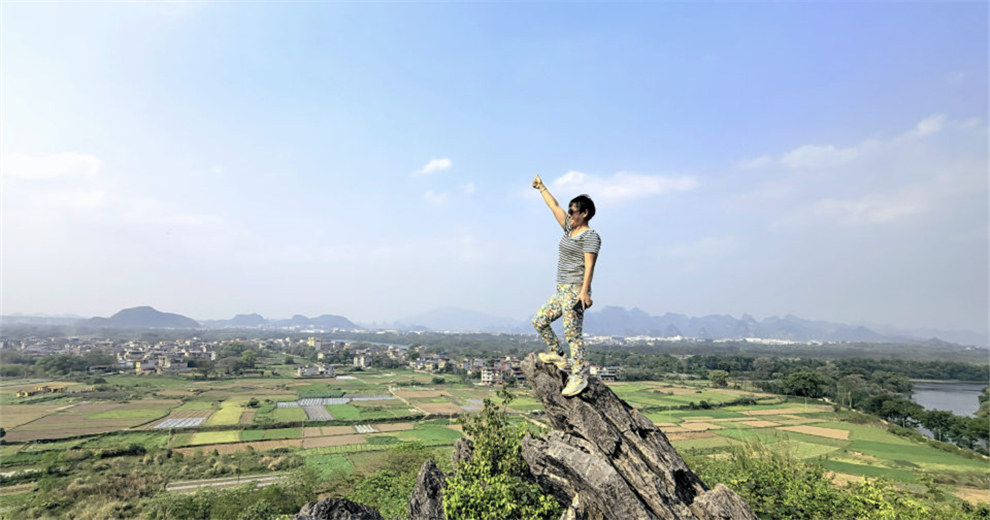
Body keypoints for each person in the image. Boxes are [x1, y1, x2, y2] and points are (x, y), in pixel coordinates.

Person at [531, 174, 601, 397]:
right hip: (561, 290)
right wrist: (541, 187)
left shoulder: (590, 236)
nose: (569, 214)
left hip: (574, 290)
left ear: (584, 213)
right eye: (569, 211)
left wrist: (584, 292)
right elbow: (555, 207)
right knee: (540, 321)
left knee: (573, 335)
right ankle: (557, 354)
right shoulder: (569, 229)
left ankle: (579, 376)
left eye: (573, 211)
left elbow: (590, 266)